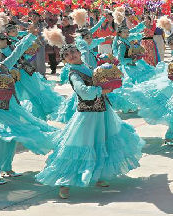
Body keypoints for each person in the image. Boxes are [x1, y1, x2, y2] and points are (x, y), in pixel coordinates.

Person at [36, 44, 145, 199]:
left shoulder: (87, 67)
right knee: (79, 145)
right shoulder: (74, 74)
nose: (71, 55)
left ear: (79, 52)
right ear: (65, 60)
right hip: (87, 114)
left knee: (102, 142)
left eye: (73, 51)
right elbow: (83, 92)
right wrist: (101, 90)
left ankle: (99, 175)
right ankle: (64, 183)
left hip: (103, 112)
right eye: (67, 55)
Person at [0, 32, 56, 182]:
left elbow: (18, 52)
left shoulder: (3, 66)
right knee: (2, 138)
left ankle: (7, 168)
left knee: (12, 138)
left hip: (12, 107)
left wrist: (30, 35)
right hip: (0, 112)